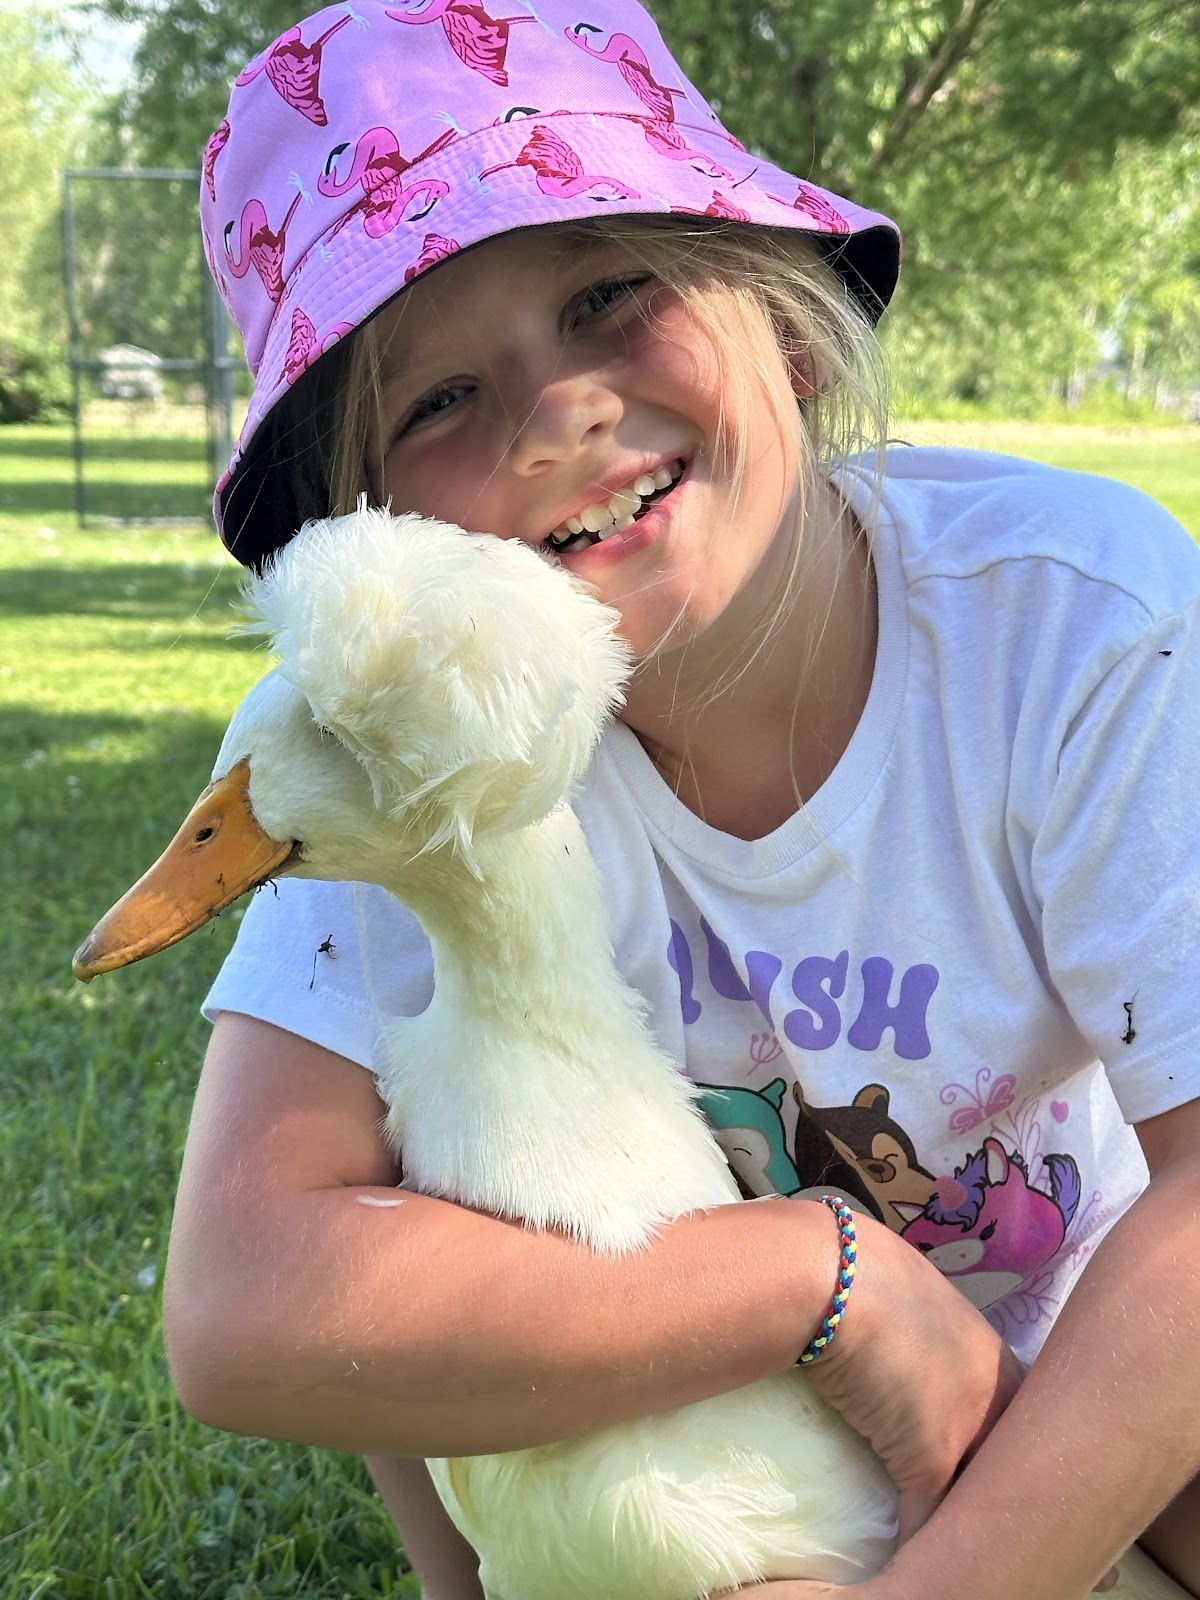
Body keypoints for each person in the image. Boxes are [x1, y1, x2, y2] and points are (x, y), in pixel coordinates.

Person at [164, 0, 1200, 1596]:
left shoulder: (1071, 618)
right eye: (434, 401)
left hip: (1092, 1402)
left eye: (609, 295)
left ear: (786, 318)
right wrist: (825, 1280)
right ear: (377, 528)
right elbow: (248, 1307)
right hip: (730, 1460)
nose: (552, 415)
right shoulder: (401, 734)